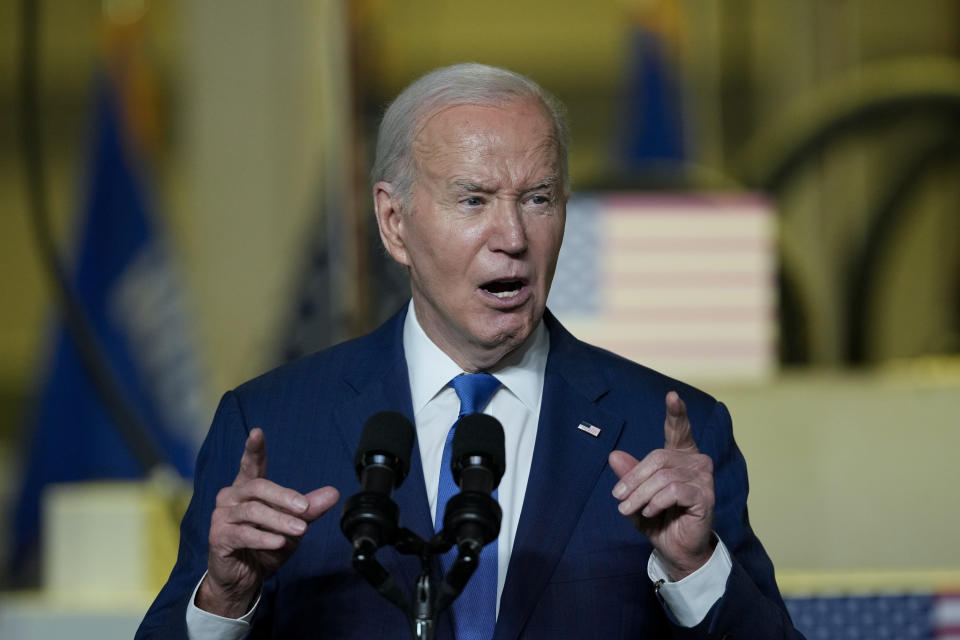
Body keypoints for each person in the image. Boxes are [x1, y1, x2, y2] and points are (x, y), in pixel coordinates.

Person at [137, 63, 804, 639]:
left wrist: (696, 567)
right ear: (394, 224)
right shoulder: (274, 426)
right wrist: (225, 599)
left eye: (538, 199)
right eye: (474, 199)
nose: (512, 235)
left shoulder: (670, 431)